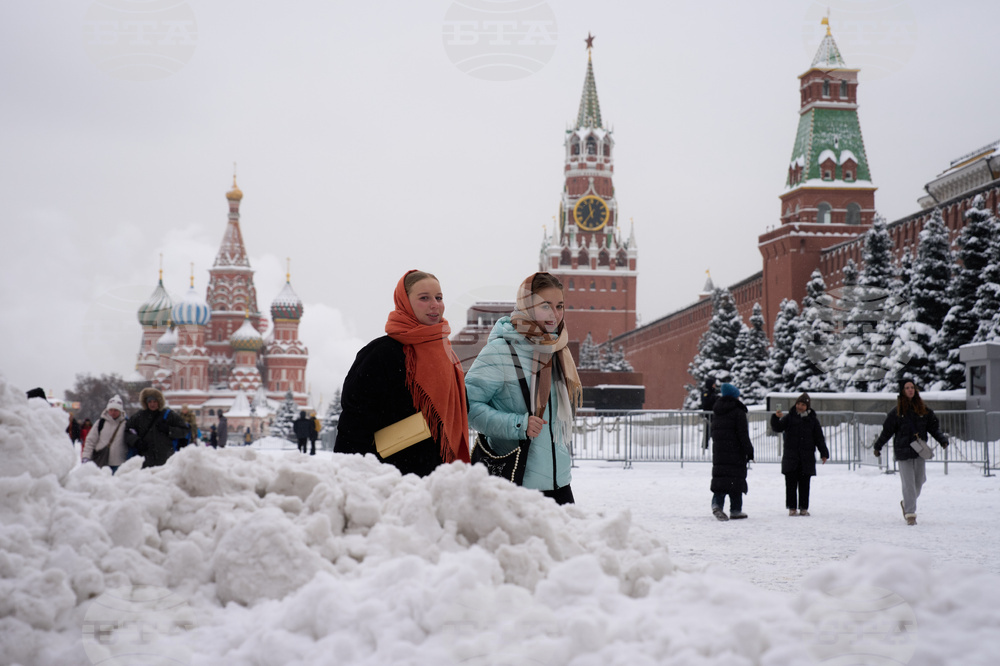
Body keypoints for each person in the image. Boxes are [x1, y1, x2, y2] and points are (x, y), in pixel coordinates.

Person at [335, 269, 470, 477]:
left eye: (439, 297)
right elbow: (355, 421)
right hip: (389, 477)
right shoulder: (382, 353)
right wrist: (348, 474)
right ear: (404, 302)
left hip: (440, 476)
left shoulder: (447, 354)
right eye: (424, 298)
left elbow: (460, 409)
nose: (435, 304)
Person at [466, 272, 583, 505]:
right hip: (516, 481)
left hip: (559, 483)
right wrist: (518, 424)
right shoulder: (501, 350)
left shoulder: (557, 349)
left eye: (559, 306)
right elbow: (469, 407)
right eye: (545, 306)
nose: (555, 314)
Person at [873, 379, 949, 526]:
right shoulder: (896, 413)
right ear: (902, 391)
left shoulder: (924, 411)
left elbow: (934, 428)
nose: (910, 390)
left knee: (919, 482)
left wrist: (942, 440)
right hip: (903, 452)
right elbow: (886, 432)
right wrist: (878, 446)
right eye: (907, 388)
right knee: (908, 484)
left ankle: (906, 502)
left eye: (912, 387)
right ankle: (910, 513)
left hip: (919, 451)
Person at [771, 392, 829, 516]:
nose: (800, 406)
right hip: (791, 457)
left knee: (804, 484)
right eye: (798, 404)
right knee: (790, 484)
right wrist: (775, 418)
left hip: (806, 458)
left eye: (803, 404)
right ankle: (792, 508)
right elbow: (778, 428)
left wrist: (824, 453)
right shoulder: (789, 417)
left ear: (807, 406)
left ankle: (803, 508)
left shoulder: (813, 420)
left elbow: (819, 438)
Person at [710, 383, 754, 521]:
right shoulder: (738, 412)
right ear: (735, 396)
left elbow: (714, 432)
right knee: (736, 481)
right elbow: (743, 434)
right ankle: (735, 510)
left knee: (721, 480)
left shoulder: (718, 411)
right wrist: (749, 451)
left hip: (720, 452)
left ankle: (717, 504)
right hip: (736, 452)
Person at [124, 387, 190, 468]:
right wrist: (136, 441)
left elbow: (185, 431)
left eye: (155, 401)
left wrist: (169, 430)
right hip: (145, 458)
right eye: (150, 401)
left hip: (166, 458)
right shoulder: (139, 416)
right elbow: (128, 431)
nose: (152, 404)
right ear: (146, 402)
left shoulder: (169, 415)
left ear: (159, 402)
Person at [81, 395, 128, 473]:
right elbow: (90, 441)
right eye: (111, 410)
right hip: (101, 461)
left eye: (116, 410)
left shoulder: (126, 424)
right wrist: (86, 456)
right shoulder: (100, 423)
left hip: (119, 464)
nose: (113, 412)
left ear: (120, 411)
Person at [700, 378, 719, 450]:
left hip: (714, 415)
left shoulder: (713, 392)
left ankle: (716, 446)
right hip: (708, 415)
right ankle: (704, 447)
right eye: (713, 384)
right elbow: (706, 403)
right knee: (707, 432)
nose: (715, 385)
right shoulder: (706, 393)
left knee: (715, 432)